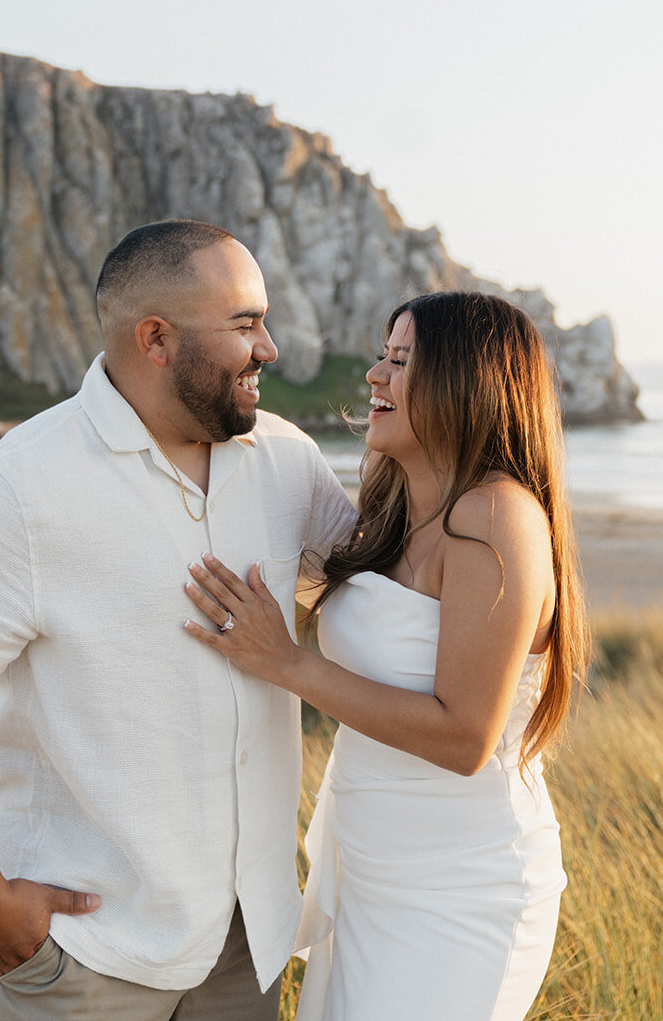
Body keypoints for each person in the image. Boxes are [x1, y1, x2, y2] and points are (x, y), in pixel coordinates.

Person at [0, 219, 356, 1021]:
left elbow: (377, 590)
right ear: (155, 339)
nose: (268, 348)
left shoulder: (286, 458)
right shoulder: (15, 490)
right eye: (244, 324)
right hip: (84, 956)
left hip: (246, 941)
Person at [184, 291, 590, 1021]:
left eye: (401, 361)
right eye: (382, 355)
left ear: (467, 383)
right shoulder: (393, 508)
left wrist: (285, 663)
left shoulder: (495, 515)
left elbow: (465, 737)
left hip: (462, 890)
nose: (375, 374)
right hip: (369, 871)